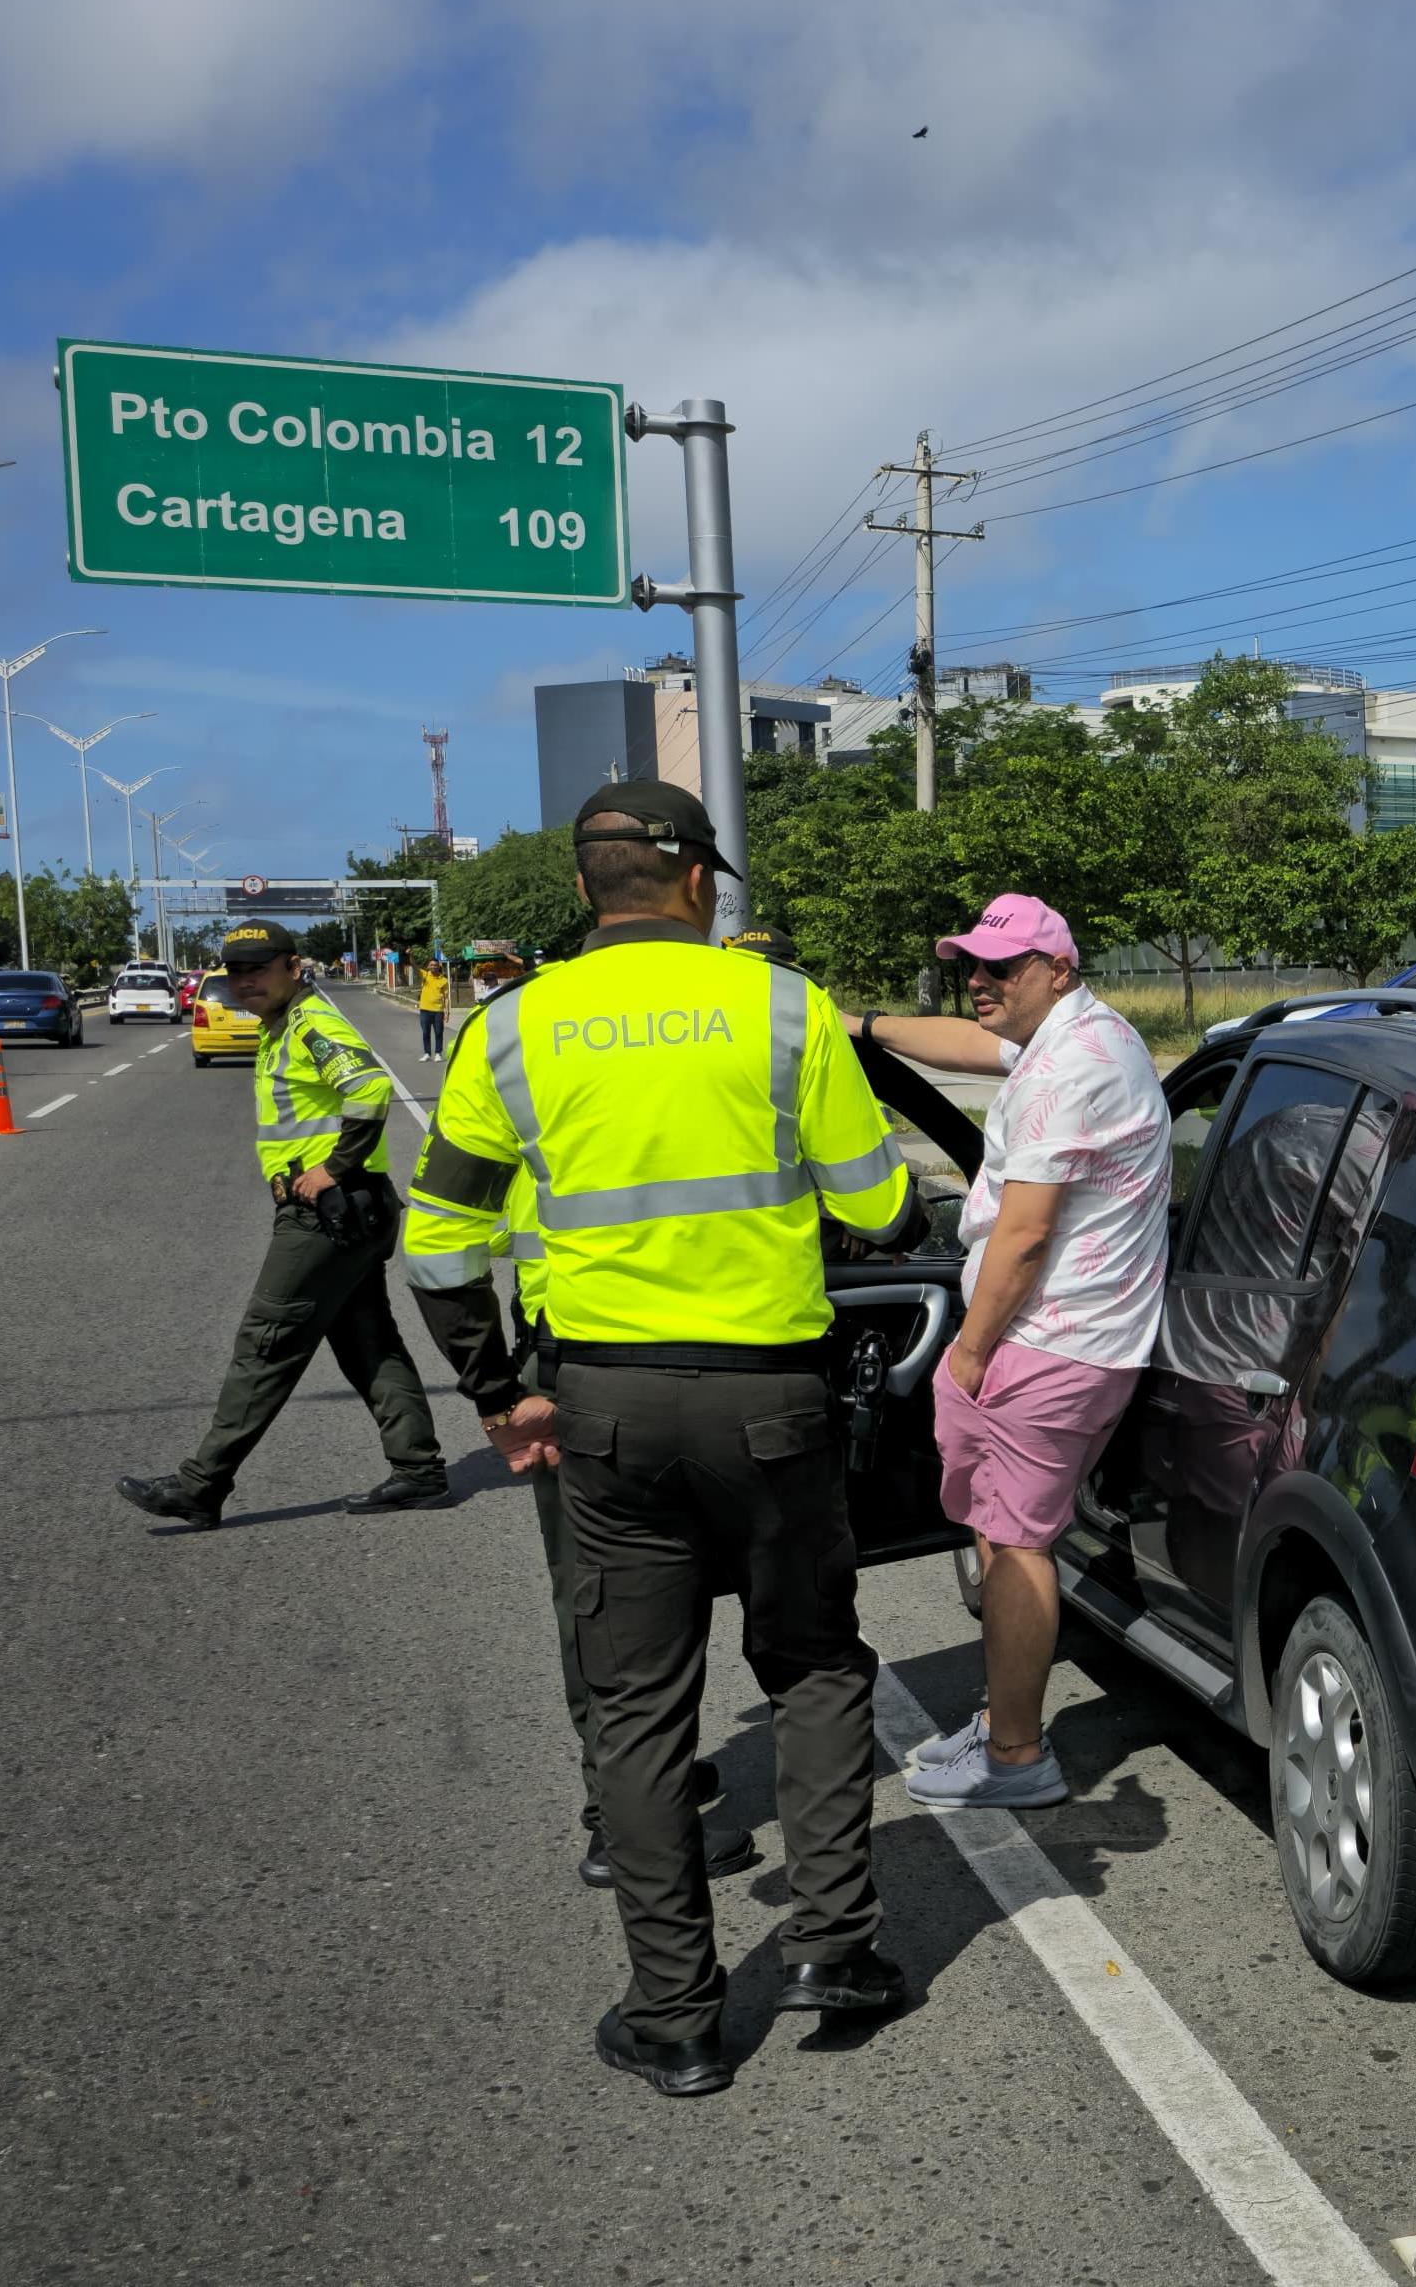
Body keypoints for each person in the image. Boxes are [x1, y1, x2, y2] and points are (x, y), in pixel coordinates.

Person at [402, 782, 924, 2099]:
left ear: (585, 885)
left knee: (638, 1705)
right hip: (772, 1402)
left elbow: (439, 1247)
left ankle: (678, 2016)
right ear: (698, 882)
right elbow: (881, 1206)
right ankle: (834, 1948)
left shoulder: (508, 1027)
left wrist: (496, 1392)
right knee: (812, 1661)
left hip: (605, 1406)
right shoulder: (784, 1008)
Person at [441, 935, 761, 1892]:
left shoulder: (522, 1044)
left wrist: (494, 1389)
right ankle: (623, 1818)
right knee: (659, 1601)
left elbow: (442, 1239)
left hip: (577, 1360)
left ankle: (635, 1795)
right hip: (718, 1358)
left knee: (605, 1594)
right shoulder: (728, 1036)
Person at [847, 895, 1169, 1812]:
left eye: (1004, 966)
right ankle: (1002, 1724)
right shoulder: (1072, 1036)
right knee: (997, 1531)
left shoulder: (1072, 1068)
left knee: (1019, 1545)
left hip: (1048, 1341)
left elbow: (1025, 1235)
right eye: (972, 966)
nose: (980, 982)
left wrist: (970, 1352)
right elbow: (963, 1042)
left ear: (1059, 968)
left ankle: (1019, 1757)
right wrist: (862, 1026)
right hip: (1055, 1336)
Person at [119, 922, 450, 1529]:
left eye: (259, 968)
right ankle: (419, 1469)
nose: (245, 981)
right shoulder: (281, 1027)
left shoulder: (310, 1024)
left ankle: (201, 1485)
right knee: (368, 1342)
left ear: (294, 968)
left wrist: (334, 1168)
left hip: (327, 1215)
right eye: (236, 971)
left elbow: (370, 1086)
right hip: (351, 1212)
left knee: (266, 1341)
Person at [414, 952, 453, 1060]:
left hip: (438, 1011)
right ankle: (427, 1053)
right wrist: (411, 956)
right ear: (428, 966)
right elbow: (414, 966)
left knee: (439, 1032)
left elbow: (446, 998)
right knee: (425, 1032)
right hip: (425, 1010)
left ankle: (438, 1053)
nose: (433, 967)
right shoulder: (425, 975)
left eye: (435, 965)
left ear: (438, 966)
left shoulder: (443, 980)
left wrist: (447, 1012)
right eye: (431, 965)